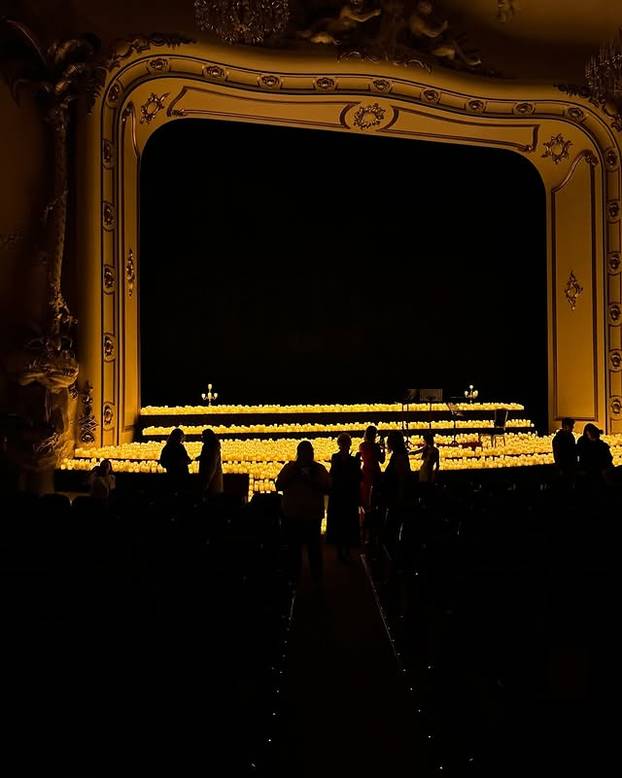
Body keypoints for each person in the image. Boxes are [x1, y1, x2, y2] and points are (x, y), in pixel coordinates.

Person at [275, 440, 331, 585]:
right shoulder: (290, 468)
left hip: (311, 516)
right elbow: (279, 485)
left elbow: (328, 488)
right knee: (294, 550)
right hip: (293, 516)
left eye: (311, 452)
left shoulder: (318, 469)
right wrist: (295, 474)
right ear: (299, 454)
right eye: (306, 452)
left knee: (314, 550)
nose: (309, 455)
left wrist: (311, 481)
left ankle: (316, 579)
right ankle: (294, 579)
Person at [326, 433, 362, 562]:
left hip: (339, 494)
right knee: (347, 522)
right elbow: (358, 476)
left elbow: (333, 474)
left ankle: (341, 550)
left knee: (340, 523)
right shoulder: (351, 460)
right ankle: (345, 550)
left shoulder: (336, 458)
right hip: (347, 494)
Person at [358, 425, 386, 542]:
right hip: (374, 472)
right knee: (374, 501)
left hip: (365, 473)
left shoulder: (362, 445)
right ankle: (373, 531)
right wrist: (383, 448)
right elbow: (382, 460)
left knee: (365, 500)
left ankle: (364, 530)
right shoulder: (375, 447)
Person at [159, 427, 192, 492]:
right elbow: (185, 458)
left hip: (171, 474)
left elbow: (162, 461)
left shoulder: (166, 448)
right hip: (181, 474)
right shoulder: (180, 447)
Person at [196, 428, 223, 498]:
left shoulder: (213, 448)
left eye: (203, 436)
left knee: (211, 499)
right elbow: (207, 457)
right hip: (208, 477)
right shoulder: (207, 446)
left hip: (211, 479)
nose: (202, 438)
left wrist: (207, 481)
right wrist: (201, 457)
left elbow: (212, 464)